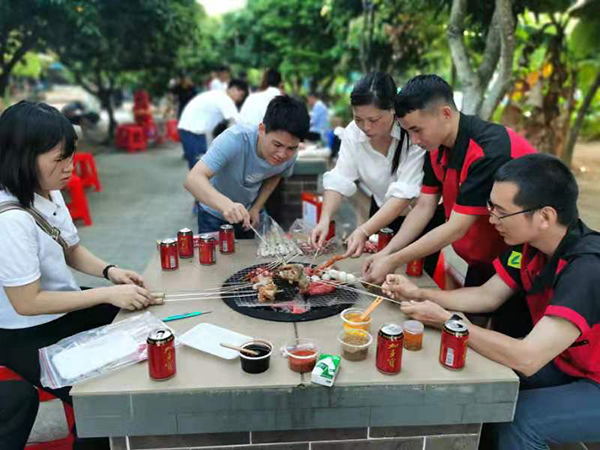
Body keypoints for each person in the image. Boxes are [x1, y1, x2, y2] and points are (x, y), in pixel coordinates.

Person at [382, 154, 600, 449]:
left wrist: (448, 321)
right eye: (491, 207)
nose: (491, 219)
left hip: (592, 378)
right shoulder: (529, 248)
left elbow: (528, 357)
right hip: (569, 363)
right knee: (483, 377)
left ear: (545, 217)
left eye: (502, 212)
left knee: (523, 420)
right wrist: (419, 293)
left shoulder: (587, 267)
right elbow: (487, 295)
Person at [0, 101, 159, 449]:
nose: (70, 167)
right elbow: (27, 303)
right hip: (23, 332)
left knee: (142, 316)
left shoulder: (46, 189)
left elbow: (70, 248)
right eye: (60, 159)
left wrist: (110, 272)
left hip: (62, 306)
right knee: (102, 399)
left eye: (71, 155)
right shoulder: (9, 220)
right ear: (23, 157)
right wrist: (106, 293)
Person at [363, 74, 537, 291]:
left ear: (445, 114)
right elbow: (424, 207)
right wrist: (386, 253)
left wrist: (393, 260)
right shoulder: (435, 146)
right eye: (408, 132)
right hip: (483, 258)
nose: (414, 140)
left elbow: (456, 228)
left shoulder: (486, 152)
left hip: (524, 259)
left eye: (417, 130)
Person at [311, 72, 441, 266]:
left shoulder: (413, 135)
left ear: (393, 109)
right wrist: (325, 219)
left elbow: (403, 194)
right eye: (358, 119)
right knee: (374, 271)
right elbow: (339, 179)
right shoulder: (353, 133)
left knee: (412, 277)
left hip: (419, 219)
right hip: (381, 216)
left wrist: (364, 230)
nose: (365, 127)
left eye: (374, 120)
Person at [184, 95, 310, 238]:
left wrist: (256, 207)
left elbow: (276, 175)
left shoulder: (291, 154)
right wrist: (226, 205)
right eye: (277, 144)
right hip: (213, 214)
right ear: (262, 129)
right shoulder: (234, 140)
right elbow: (192, 179)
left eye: (291, 148)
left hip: (247, 214)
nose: (282, 154)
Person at [178, 79, 248, 170]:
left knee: (199, 166)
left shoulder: (218, 94)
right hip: (192, 132)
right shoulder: (225, 99)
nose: (240, 99)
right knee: (198, 168)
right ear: (234, 89)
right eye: (241, 95)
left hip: (191, 130)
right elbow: (237, 122)